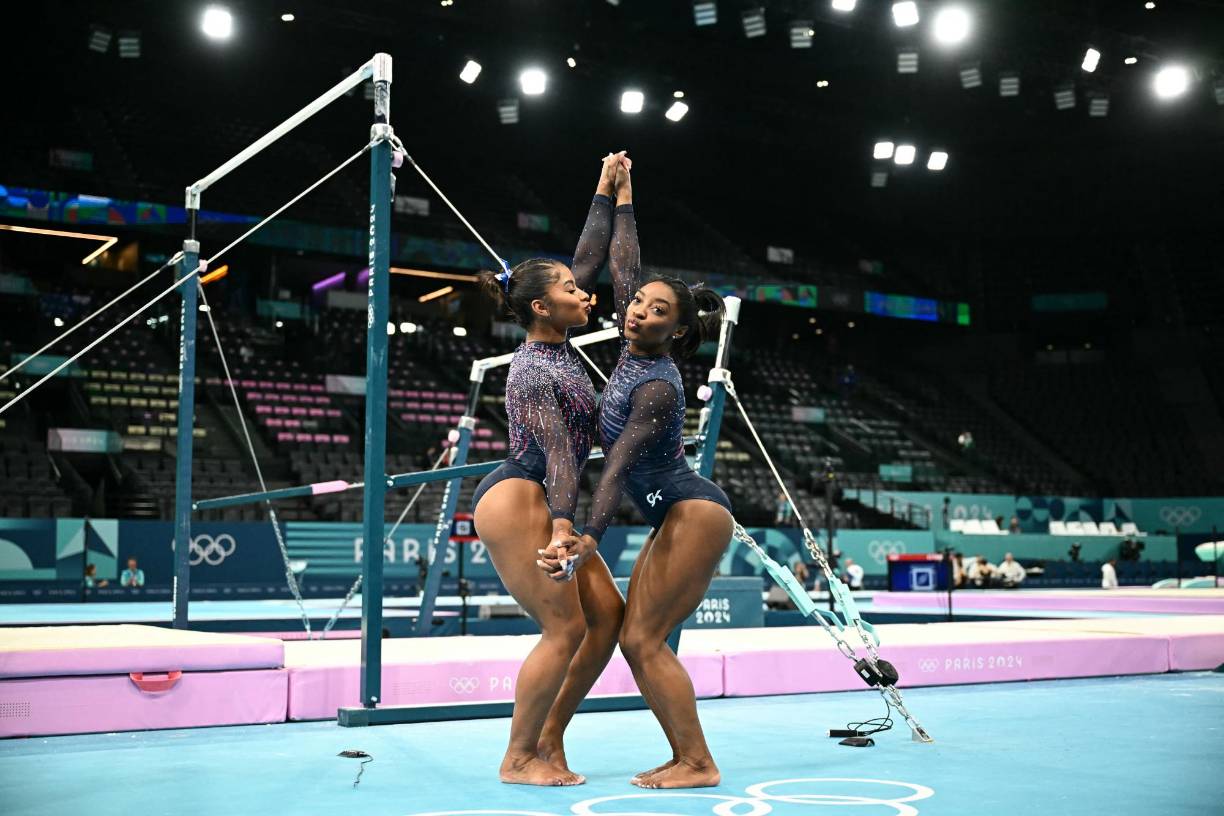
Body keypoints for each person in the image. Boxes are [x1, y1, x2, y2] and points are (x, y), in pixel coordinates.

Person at [540, 158, 733, 789]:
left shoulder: (656, 386)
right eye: (640, 305)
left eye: (655, 312)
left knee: (645, 639)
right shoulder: (629, 339)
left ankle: (698, 762)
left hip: (691, 508)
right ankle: (686, 756)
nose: (637, 312)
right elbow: (622, 262)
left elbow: (618, 467)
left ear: (675, 331)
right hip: (673, 511)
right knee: (633, 636)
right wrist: (622, 194)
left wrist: (587, 535)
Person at [471, 152, 629, 787]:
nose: (582, 291)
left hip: (544, 491)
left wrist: (606, 188)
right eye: (568, 290)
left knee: (609, 617)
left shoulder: (557, 340)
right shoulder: (533, 369)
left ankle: (550, 738)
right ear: (541, 308)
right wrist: (564, 525)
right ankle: (517, 757)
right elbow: (562, 455)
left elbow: (587, 259)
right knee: (564, 627)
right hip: (520, 493)